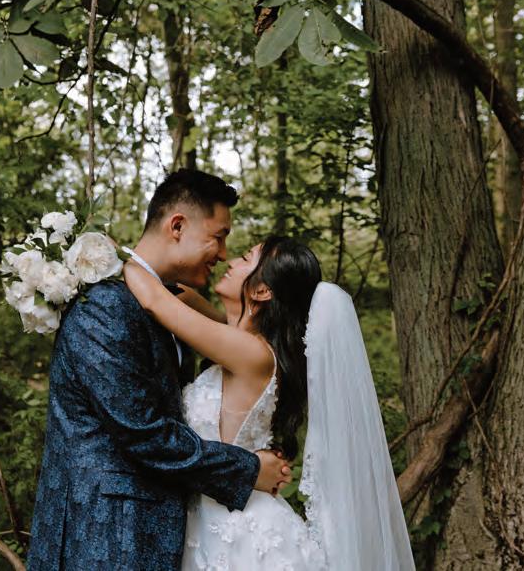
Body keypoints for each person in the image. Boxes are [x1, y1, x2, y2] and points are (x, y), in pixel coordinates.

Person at [26, 169, 292, 571]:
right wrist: (247, 468)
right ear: (178, 226)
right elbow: (143, 432)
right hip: (105, 536)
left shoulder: (169, 305)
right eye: (219, 236)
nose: (223, 254)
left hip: (161, 532)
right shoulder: (106, 306)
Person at [125, 236, 416, 570]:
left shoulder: (251, 353)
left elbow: (154, 300)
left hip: (241, 533)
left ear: (262, 290)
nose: (231, 261)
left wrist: (101, 255)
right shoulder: (239, 341)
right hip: (214, 517)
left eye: (245, 258)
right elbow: (179, 294)